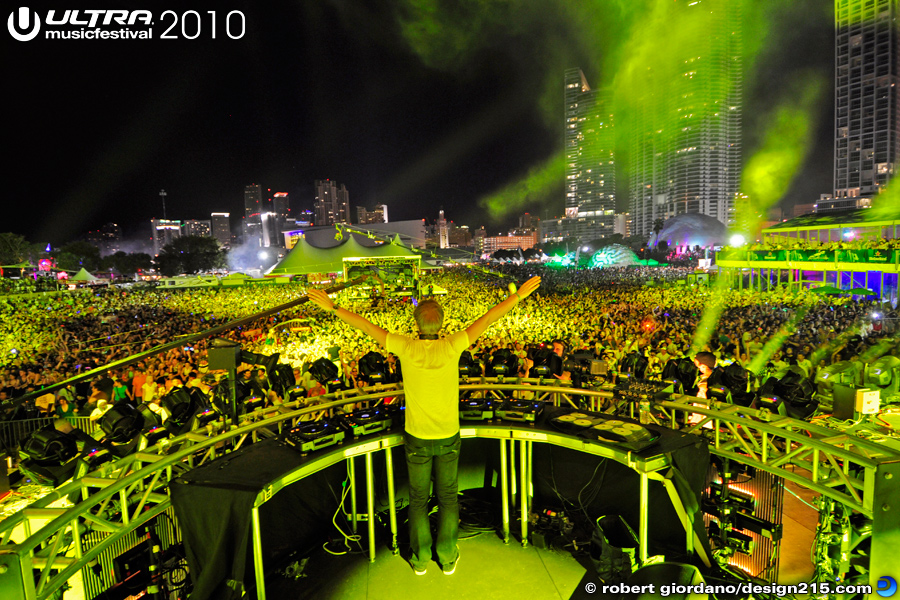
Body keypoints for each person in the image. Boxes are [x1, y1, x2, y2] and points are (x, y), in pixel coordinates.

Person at [308, 275, 541, 576]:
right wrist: (517, 297)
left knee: (418, 500)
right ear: (441, 324)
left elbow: (366, 326)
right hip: (448, 435)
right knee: (448, 497)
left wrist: (333, 306)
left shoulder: (405, 346)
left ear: (417, 324)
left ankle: (419, 559)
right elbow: (488, 319)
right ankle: (447, 557)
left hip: (416, 437)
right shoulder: (453, 344)